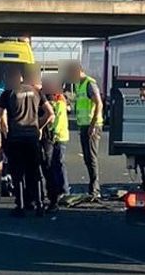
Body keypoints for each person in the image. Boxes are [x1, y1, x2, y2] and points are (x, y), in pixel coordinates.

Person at [0, 64, 51, 216]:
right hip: (32, 137)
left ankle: (20, 206)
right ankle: (39, 204)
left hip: (16, 138)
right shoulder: (36, 92)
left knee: (18, 173)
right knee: (35, 172)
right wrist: (38, 127)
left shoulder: (8, 93)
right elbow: (50, 113)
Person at [66, 59, 104, 201]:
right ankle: (92, 188)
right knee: (87, 158)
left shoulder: (89, 83)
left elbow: (99, 103)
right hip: (84, 125)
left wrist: (93, 124)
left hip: (92, 125)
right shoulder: (79, 85)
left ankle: (95, 189)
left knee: (92, 157)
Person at [41, 72, 70, 213]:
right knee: (56, 164)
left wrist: (50, 131)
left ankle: (61, 191)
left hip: (56, 136)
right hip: (58, 135)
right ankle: (61, 190)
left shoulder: (55, 99)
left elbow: (54, 118)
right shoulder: (60, 98)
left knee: (54, 164)